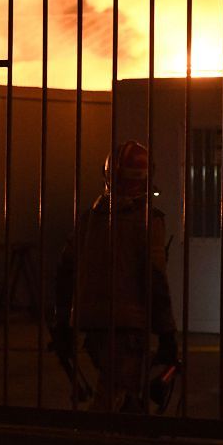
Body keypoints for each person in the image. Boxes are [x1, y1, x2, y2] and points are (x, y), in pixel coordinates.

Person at [53, 140, 178, 413]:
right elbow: (155, 279)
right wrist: (167, 332)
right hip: (127, 324)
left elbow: (65, 268)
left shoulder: (90, 218)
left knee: (120, 391)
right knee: (113, 395)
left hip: (89, 321)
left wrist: (61, 319)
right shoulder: (148, 220)